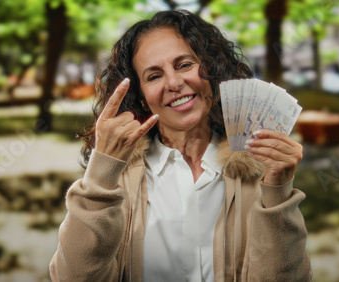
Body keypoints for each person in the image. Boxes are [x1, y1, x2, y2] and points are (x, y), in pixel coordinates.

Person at [50, 10, 311, 282]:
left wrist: (278, 191)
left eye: (185, 65)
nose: (174, 83)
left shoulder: (259, 172)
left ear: (211, 69)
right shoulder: (117, 181)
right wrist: (100, 175)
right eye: (153, 76)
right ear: (140, 97)